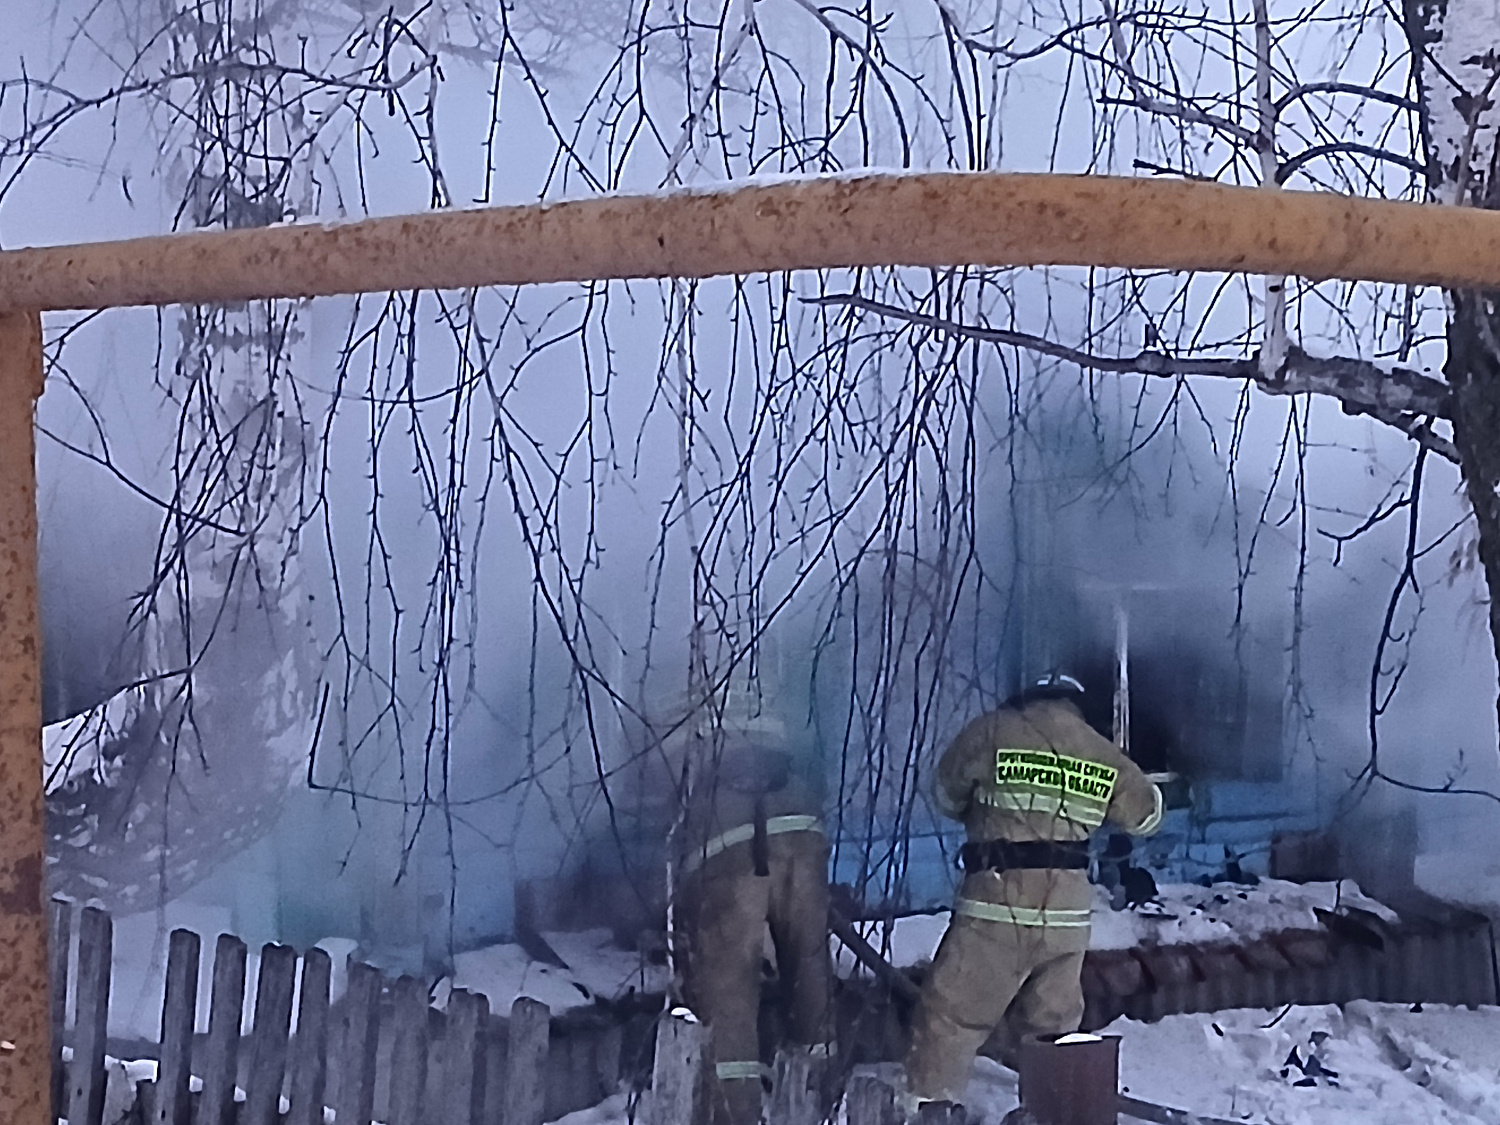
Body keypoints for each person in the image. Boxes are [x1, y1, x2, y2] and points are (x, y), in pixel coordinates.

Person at [904, 672, 1163, 1107]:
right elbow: (1148, 817)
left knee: (950, 1020)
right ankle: (1054, 1115)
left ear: (1026, 699)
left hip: (997, 906)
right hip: (1066, 920)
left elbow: (945, 794)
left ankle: (928, 1111)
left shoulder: (993, 731)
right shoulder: (1100, 751)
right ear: (1074, 704)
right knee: (1053, 1036)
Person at [670, 680, 834, 1125]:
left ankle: (737, 1111)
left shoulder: (689, 713)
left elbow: (669, 799)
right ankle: (816, 1097)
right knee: (809, 966)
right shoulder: (764, 699)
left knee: (728, 986)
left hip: (727, 838)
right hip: (802, 820)